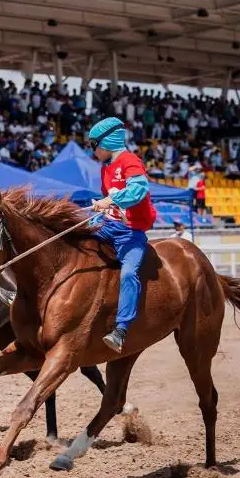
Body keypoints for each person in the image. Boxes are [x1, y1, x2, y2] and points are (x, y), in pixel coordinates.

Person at [88, 117, 157, 353]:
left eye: (93, 144)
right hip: (108, 225)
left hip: (131, 233)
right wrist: (102, 206)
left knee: (128, 274)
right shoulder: (105, 168)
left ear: (107, 142)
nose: (93, 150)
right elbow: (109, 200)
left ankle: (121, 330)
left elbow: (139, 189)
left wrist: (110, 200)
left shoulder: (130, 161)